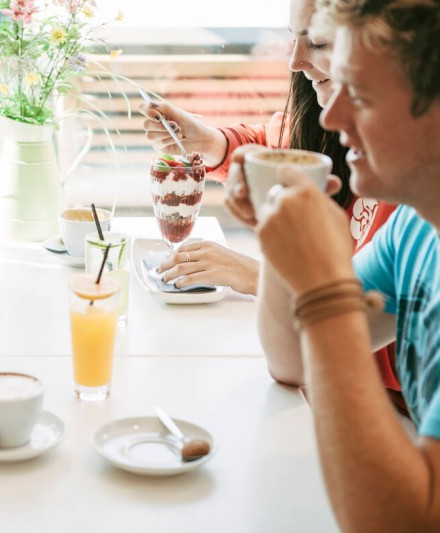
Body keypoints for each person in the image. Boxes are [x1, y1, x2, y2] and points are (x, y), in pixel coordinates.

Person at [226, 0, 440, 529]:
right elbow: (294, 360)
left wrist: (326, 291)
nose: (330, 117)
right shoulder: (416, 229)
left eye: (361, 96)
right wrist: (284, 222)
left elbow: (403, 520)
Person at [140, 0, 403, 408]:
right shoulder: (406, 233)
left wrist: (262, 275)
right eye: (292, 39)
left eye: (318, 42)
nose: (295, 61)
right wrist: (214, 144)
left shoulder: (416, 223)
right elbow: (303, 357)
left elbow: (371, 350)